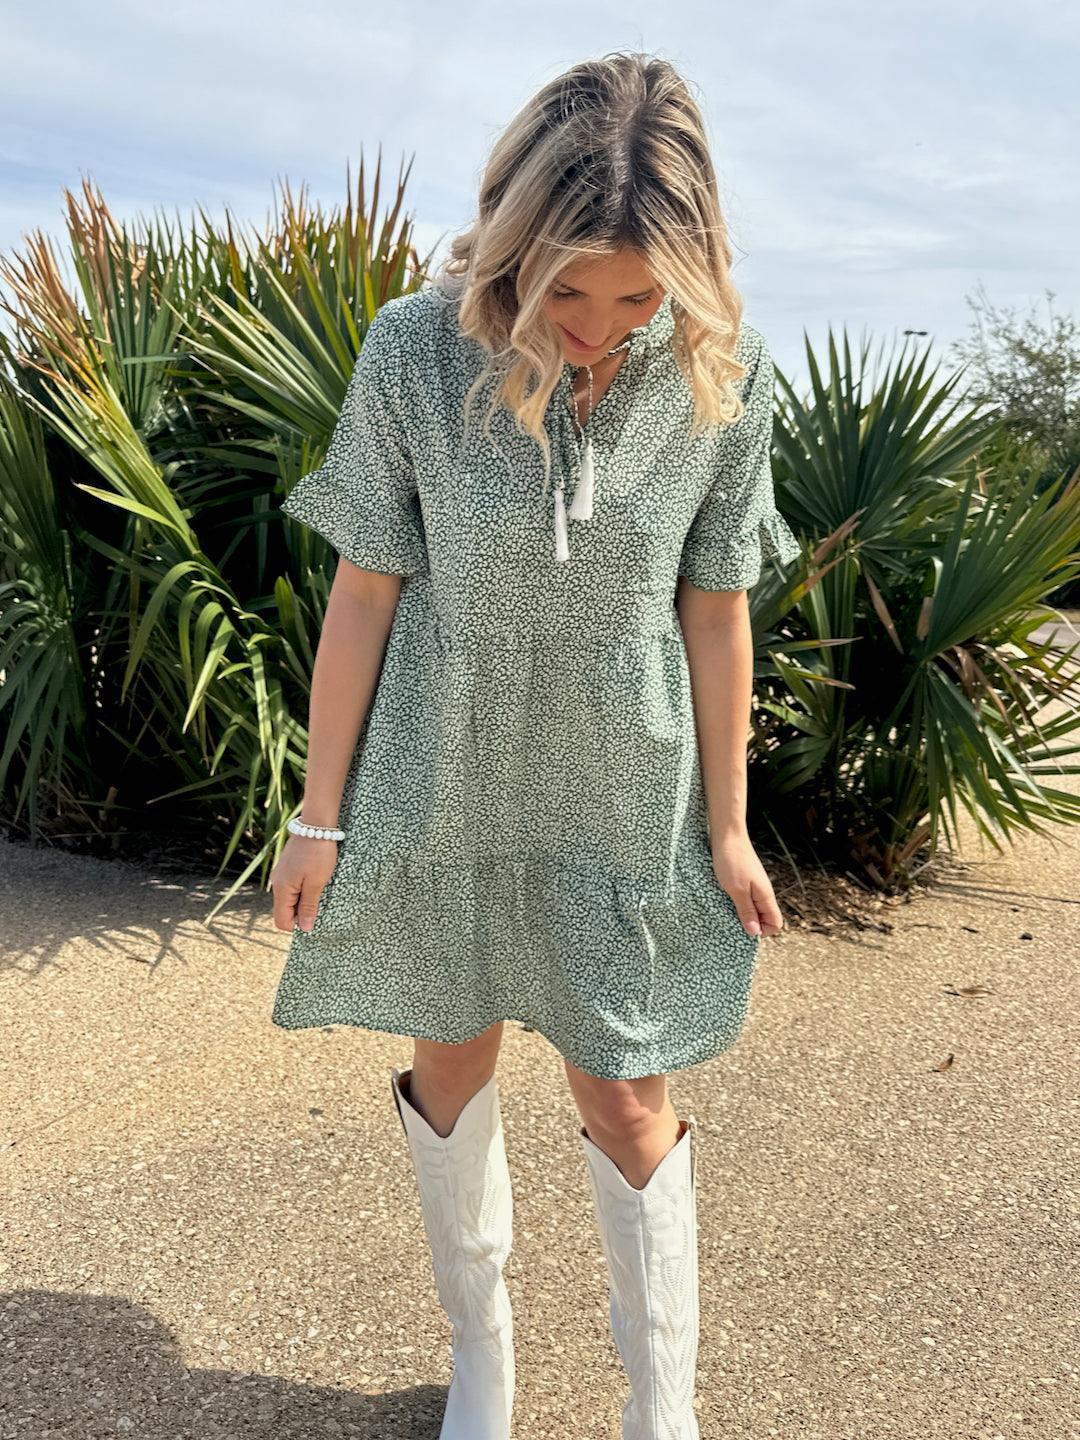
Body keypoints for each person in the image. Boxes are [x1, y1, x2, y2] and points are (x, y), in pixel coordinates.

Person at [269, 48, 800, 1440]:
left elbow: (716, 608)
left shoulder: (722, 377)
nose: (599, 326)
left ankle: (660, 1407)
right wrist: (319, 815)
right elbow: (365, 591)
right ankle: (483, 1362)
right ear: (513, 241)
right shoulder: (415, 351)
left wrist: (729, 826)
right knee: (451, 1066)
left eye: (639, 295)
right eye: (568, 290)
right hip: (444, 775)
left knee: (626, 1094)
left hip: (625, 790)